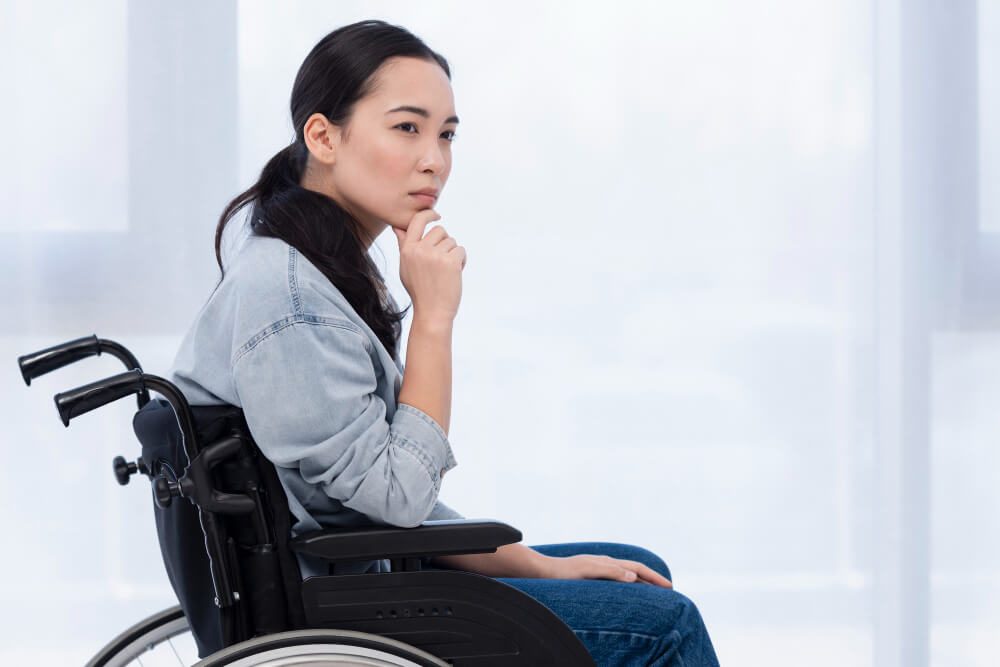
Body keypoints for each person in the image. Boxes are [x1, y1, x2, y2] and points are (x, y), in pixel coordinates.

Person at [168, 18, 720, 666]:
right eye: (407, 127)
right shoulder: (291, 298)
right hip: (348, 604)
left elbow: (373, 501)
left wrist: (538, 565)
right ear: (323, 135)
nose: (435, 159)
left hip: (369, 571)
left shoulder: (310, 270)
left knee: (635, 568)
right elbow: (398, 498)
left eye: (447, 134)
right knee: (666, 626)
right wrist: (434, 317)